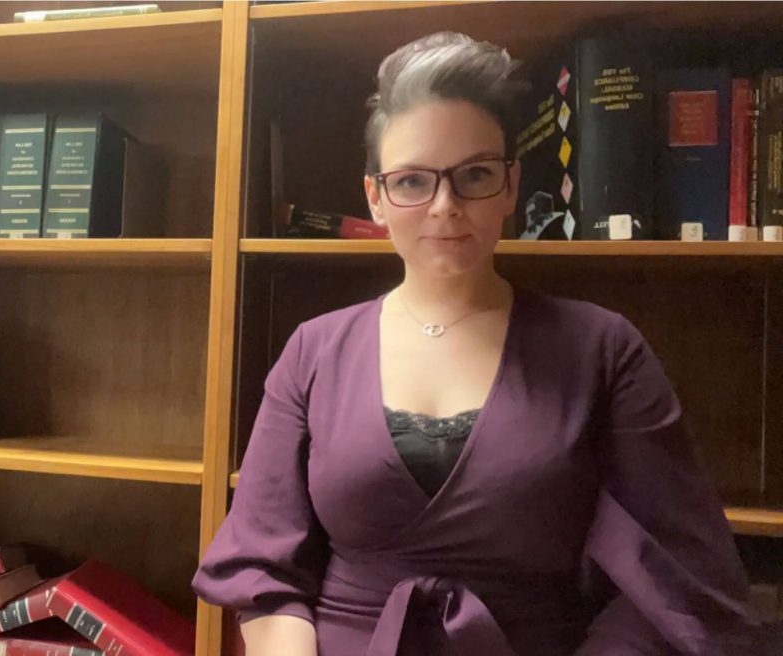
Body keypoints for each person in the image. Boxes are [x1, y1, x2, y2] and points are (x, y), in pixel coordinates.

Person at [192, 31, 757, 656]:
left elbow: (675, 577)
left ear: (511, 185)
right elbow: (263, 571)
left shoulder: (603, 349)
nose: (446, 206)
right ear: (375, 197)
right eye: (412, 182)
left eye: (475, 175)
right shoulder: (313, 351)